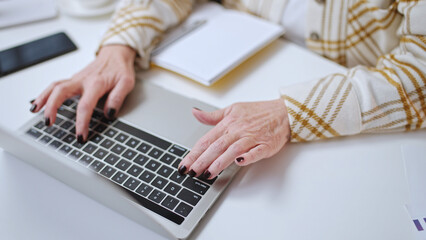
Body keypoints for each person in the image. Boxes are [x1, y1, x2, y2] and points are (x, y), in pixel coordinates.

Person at [29, 0, 426, 181]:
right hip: (215, 80)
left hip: (357, 140)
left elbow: (421, 69)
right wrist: (119, 47)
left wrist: (290, 113)